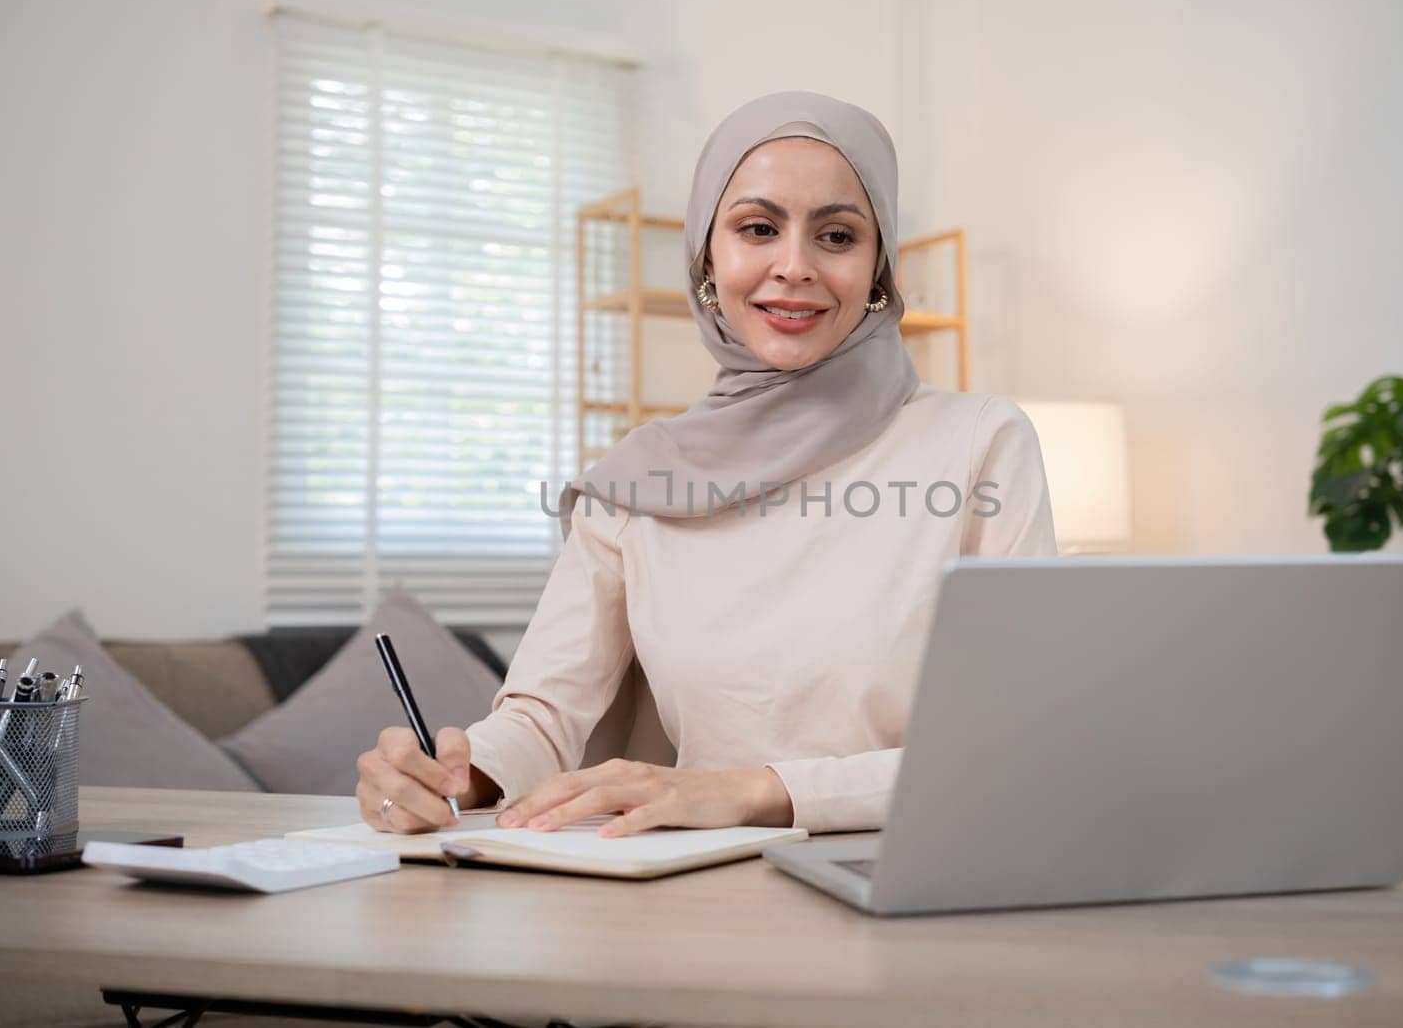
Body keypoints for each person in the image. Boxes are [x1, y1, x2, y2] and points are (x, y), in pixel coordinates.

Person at [356, 90, 1056, 839]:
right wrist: (454, 771)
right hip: (691, 894)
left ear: (879, 266)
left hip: (911, 881)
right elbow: (542, 716)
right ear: (707, 258)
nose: (794, 266)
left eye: (838, 236)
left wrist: (753, 791)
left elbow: (1014, 745)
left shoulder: (981, 443)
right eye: (758, 228)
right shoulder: (635, 483)